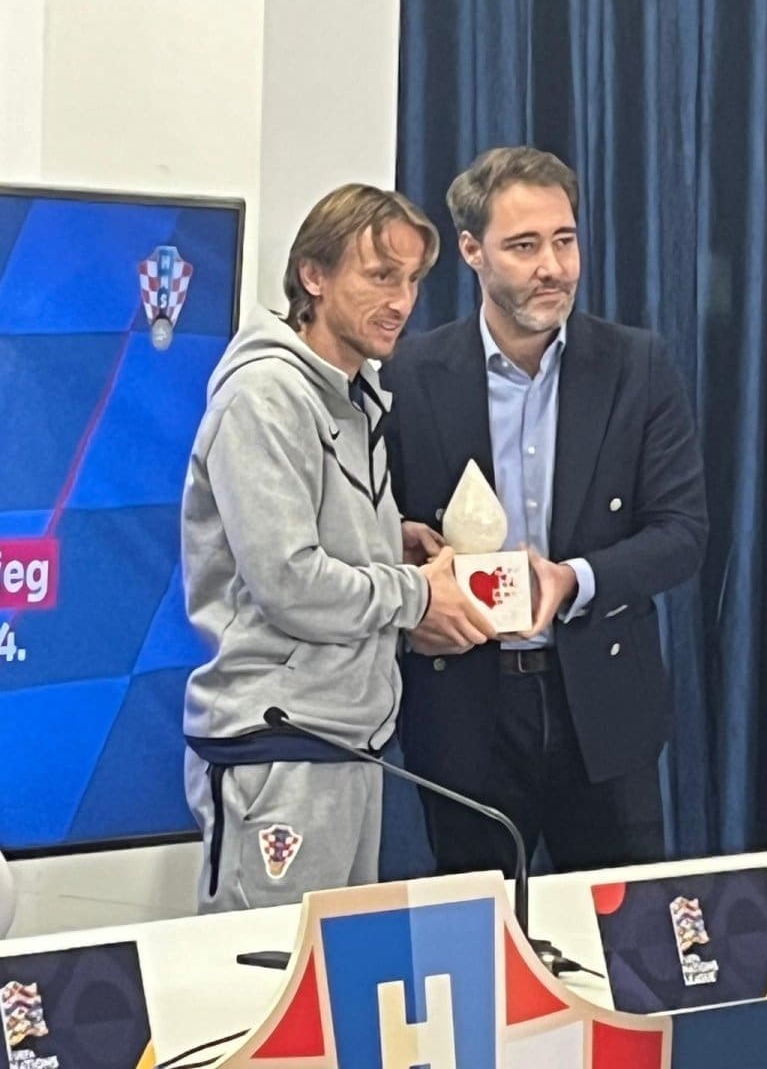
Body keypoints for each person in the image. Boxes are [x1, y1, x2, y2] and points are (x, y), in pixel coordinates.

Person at [382, 146, 708, 876]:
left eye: (565, 240)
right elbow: (379, 528)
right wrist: (407, 573)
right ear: (472, 250)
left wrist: (573, 580)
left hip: (602, 702)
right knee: (478, 930)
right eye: (524, 246)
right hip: (464, 712)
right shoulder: (412, 372)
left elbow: (682, 533)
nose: (553, 267)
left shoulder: (636, 365)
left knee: (624, 929)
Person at [181, 183, 494, 913]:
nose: (401, 301)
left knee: (336, 981)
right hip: (278, 746)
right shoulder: (265, 396)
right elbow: (289, 582)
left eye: (412, 281)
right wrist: (419, 594)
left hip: (348, 741)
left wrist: (393, 541)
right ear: (313, 276)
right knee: (268, 976)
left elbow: (321, 539)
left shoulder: (356, 394)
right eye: (380, 276)